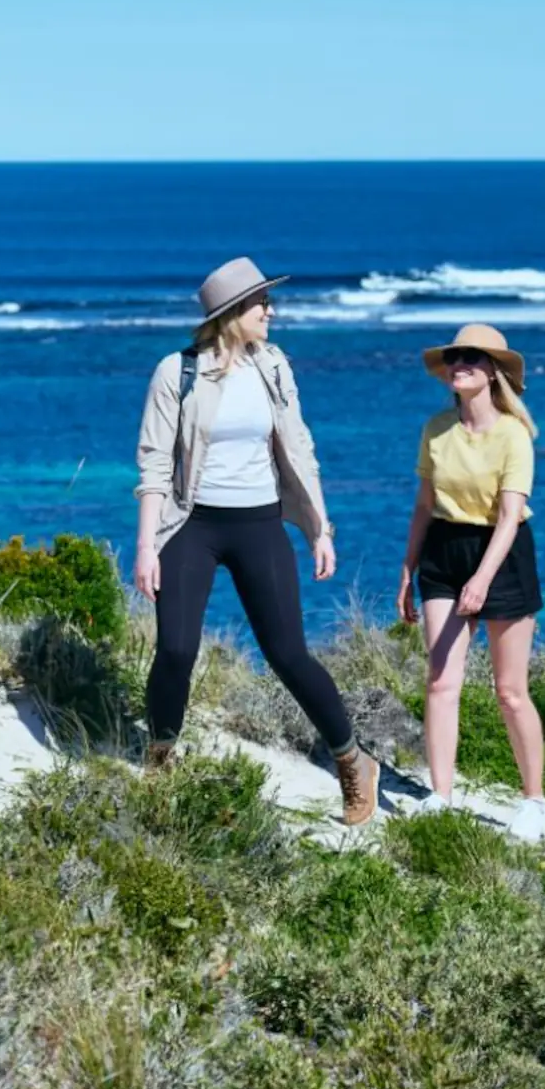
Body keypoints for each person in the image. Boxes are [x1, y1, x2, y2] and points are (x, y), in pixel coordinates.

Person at [134, 257, 380, 824]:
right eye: (260, 302)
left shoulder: (273, 367)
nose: (270, 311)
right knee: (175, 649)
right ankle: (161, 758)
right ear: (231, 313)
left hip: (260, 523)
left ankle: (352, 760)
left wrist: (319, 527)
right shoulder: (177, 372)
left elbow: (299, 447)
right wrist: (147, 546)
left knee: (288, 653)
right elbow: (153, 463)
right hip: (191, 524)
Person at [398, 324, 545, 843]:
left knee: (510, 691)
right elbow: (424, 506)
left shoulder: (513, 434)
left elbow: (509, 517)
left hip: (501, 556)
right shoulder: (436, 428)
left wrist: (482, 579)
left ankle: (534, 802)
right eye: (455, 357)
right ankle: (440, 795)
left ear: (493, 372)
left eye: (472, 357)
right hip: (443, 551)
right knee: (441, 682)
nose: (459, 364)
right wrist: (407, 569)